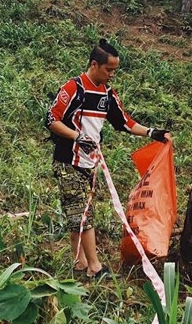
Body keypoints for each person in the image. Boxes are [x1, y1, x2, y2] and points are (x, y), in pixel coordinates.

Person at [45, 39, 171, 279]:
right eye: (108, 69)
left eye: (114, 70)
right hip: (67, 162)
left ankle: (78, 263)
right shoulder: (74, 88)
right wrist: (76, 137)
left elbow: (125, 122)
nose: (112, 74)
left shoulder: (107, 94)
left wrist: (152, 132)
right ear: (94, 64)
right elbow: (52, 120)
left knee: (77, 213)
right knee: (82, 214)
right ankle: (95, 267)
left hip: (89, 164)